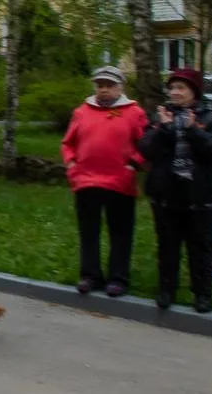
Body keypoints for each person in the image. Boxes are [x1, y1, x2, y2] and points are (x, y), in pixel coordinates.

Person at [60, 66, 147, 298]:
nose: (104, 90)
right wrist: (71, 165)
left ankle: (118, 278)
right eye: (100, 85)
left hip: (120, 181)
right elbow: (67, 143)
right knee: (89, 230)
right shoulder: (82, 111)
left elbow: (146, 144)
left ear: (120, 87)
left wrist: (133, 165)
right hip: (86, 181)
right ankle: (90, 275)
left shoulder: (134, 112)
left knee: (120, 231)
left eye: (109, 85)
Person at [139, 67, 212, 313]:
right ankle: (166, 290)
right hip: (166, 195)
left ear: (194, 92)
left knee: (200, 249)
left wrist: (193, 130)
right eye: (172, 87)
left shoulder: (211, 117)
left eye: (181, 88)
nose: (175, 92)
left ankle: (202, 294)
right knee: (168, 246)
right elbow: (145, 149)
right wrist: (163, 129)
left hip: (198, 196)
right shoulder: (160, 116)